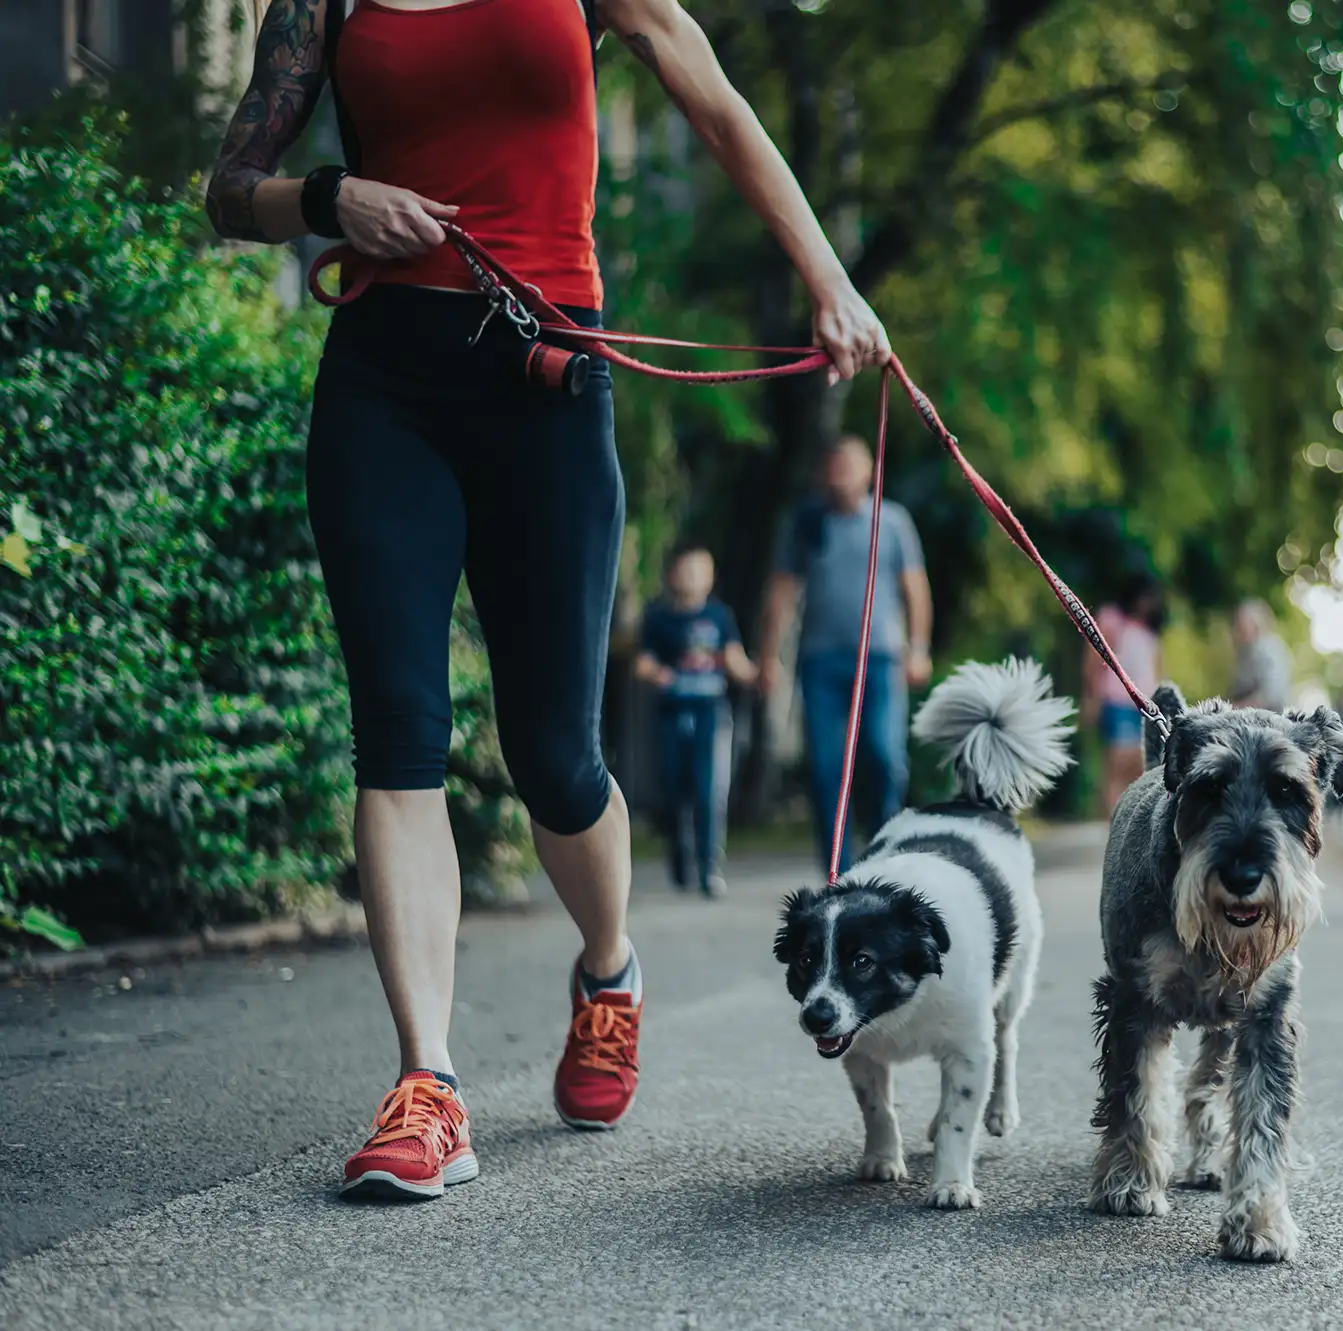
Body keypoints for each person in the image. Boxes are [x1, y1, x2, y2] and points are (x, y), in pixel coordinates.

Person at [205, 0, 890, 1197]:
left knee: (556, 759)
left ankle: (610, 969)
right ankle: (429, 1084)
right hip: (382, 385)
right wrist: (330, 201)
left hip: (547, 378)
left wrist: (829, 282)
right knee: (399, 737)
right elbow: (227, 188)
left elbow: (717, 106)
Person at [760, 437, 933, 872]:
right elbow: (781, 594)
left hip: (879, 660)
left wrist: (919, 649)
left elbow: (915, 589)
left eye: (851, 465)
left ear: (869, 470)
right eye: (834, 465)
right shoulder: (806, 524)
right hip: (821, 662)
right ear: (823, 473)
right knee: (824, 768)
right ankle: (837, 869)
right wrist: (768, 657)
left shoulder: (892, 521)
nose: (841, 474)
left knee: (884, 756)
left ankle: (885, 857)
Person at [636, 546, 755, 899]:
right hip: (672, 714)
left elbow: (735, 659)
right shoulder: (657, 618)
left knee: (709, 791)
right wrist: (656, 673)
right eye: (685, 570)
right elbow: (642, 662)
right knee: (674, 790)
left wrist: (755, 675)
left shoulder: (720, 617)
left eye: (700, 571)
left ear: (711, 576)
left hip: (711, 713)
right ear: (672, 574)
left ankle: (709, 867)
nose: (692, 578)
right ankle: (680, 858)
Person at [1081, 578, 1164, 817]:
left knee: (1140, 768)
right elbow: (1093, 662)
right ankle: (1112, 826)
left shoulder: (1150, 630)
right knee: (1116, 765)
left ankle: (1131, 825)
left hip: (1145, 706)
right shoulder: (1112, 619)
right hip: (1117, 702)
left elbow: (1157, 670)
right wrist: (1091, 698)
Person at [1228, 599, 1293, 711]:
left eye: (1241, 624)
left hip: (1268, 718)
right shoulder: (1247, 652)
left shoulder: (1268, 648)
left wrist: (1234, 708)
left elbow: (1270, 695)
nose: (1236, 629)